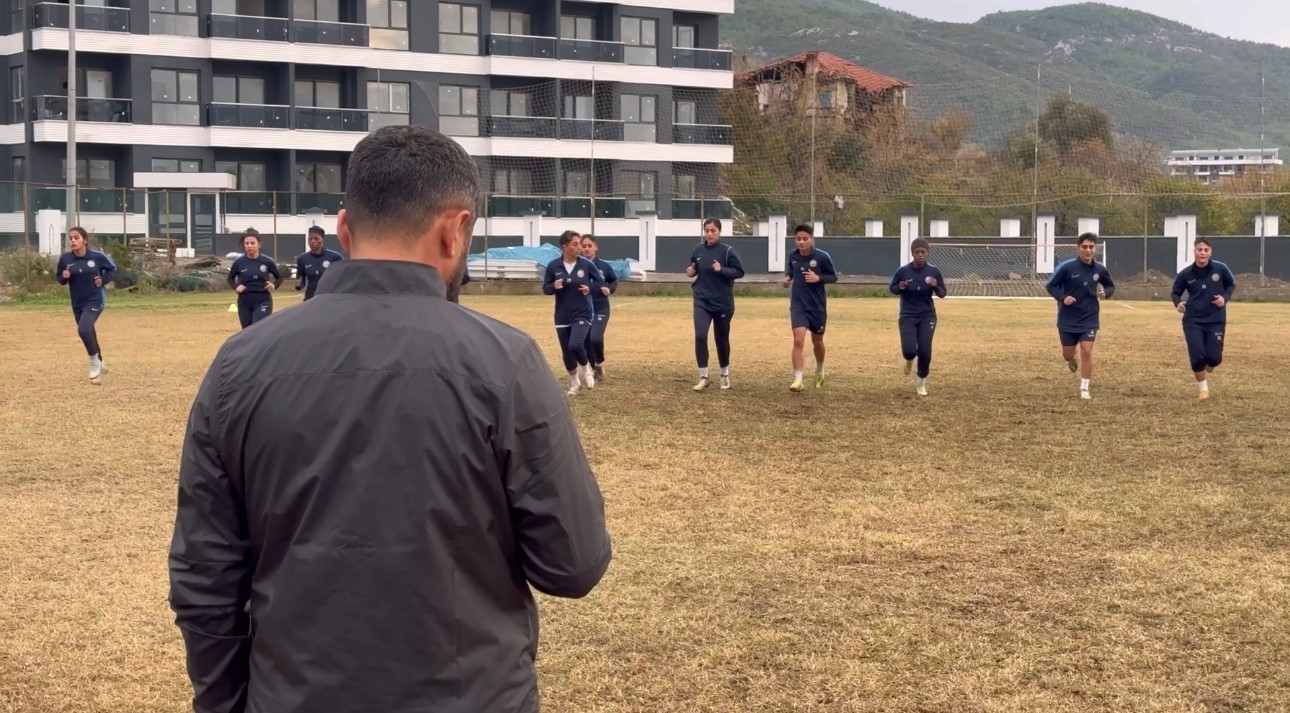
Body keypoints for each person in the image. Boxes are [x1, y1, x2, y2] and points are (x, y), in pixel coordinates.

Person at [169, 125, 611, 713]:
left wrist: (226, 702)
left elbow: (205, 578)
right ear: (455, 231)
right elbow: (573, 563)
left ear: (345, 230)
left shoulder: (239, 364)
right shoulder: (506, 362)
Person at [1045, 232, 1115, 400]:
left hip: (1089, 317)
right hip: (1068, 318)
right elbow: (1051, 286)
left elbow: (1110, 286)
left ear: (1095, 249)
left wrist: (1105, 293)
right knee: (1068, 354)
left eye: (1091, 247)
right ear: (1078, 248)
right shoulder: (1067, 268)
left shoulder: (1100, 269)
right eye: (1084, 247)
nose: (1088, 250)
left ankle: (1084, 387)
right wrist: (1063, 298)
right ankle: (1071, 358)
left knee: (1087, 350)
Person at [1171, 238, 1236, 400]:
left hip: (1216, 319)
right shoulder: (1186, 273)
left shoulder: (1220, 269)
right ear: (1194, 251)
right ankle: (1203, 389)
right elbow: (1175, 292)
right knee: (1197, 355)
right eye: (1200, 250)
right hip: (1193, 320)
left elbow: (1231, 285)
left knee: (1214, 358)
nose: (1203, 253)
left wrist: (1224, 298)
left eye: (1206, 250)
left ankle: (1209, 364)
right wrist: (1178, 303)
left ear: (1210, 252)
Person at [687, 217, 744, 391]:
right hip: (702, 300)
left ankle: (724, 373)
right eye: (707, 231)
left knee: (721, 339)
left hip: (722, 302)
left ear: (719, 232)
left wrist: (722, 269)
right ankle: (703, 376)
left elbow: (739, 272)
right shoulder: (698, 249)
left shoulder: (727, 251)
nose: (710, 234)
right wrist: (691, 271)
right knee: (700, 335)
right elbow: (694, 266)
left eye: (713, 231)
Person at [542, 230, 602, 395]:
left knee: (575, 344)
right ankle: (574, 383)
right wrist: (553, 286)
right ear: (565, 247)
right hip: (562, 314)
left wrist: (589, 288)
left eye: (580, 244)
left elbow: (599, 282)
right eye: (575, 244)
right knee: (567, 352)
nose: (580, 248)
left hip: (582, 312)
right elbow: (545, 288)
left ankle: (587, 369)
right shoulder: (554, 266)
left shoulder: (586, 264)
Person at [55, 226, 116, 383]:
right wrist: (64, 276)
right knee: (90, 333)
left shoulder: (96, 257)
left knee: (83, 329)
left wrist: (103, 280)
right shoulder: (66, 259)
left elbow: (113, 270)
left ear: (85, 240)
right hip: (77, 303)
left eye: (76, 238)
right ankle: (100, 364)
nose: (73, 241)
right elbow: (60, 279)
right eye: (70, 238)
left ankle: (94, 364)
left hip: (95, 300)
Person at [782, 224, 837, 392]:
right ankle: (798, 379)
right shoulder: (793, 255)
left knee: (817, 340)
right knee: (798, 339)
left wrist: (818, 278)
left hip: (817, 306)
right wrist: (787, 279)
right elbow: (791, 270)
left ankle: (819, 370)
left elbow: (833, 277)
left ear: (812, 239)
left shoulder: (822, 257)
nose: (801, 242)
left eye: (805, 239)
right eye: (798, 239)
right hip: (798, 305)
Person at [888, 237, 946, 396]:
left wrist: (935, 285)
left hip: (927, 315)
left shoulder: (933, 272)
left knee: (925, 350)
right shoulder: (903, 271)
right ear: (912, 253)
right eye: (917, 252)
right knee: (909, 351)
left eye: (923, 252)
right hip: (907, 314)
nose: (920, 255)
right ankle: (908, 359)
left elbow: (942, 293)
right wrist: (899, 287)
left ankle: (921, 382)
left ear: (927, 253)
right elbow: (892, 288)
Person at [580, 234, 618, 383]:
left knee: (595, 338)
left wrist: (609, 289)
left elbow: (614, 280)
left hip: (600, 307)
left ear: (595, 247)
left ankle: (599, 363)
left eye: (590, 246)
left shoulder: (603, 266)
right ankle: (593, 368)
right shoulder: (577, 267)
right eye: (584, 246)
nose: (587, 249)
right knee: (585, 340)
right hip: (583, 309)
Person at [227, 228, 282, 329]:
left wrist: (274, 285)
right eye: (246, 243)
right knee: (247, 332)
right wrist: (236, 287)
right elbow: (230, 279)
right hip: (245, 301)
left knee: (257, 328)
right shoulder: (239, 262)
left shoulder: (267, 261)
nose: (249, 246)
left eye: (252, 243)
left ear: (259, 245)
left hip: (263, 299)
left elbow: (279, 277)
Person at [294, 225, 344, 300]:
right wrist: (299, 285)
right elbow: (301, 280)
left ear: (322, 240)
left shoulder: (335, 257)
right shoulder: (302, 259)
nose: (313, 241)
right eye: (310, 239)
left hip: (329, 297)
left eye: (316, 238)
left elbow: (343, 277)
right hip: (310, 297)